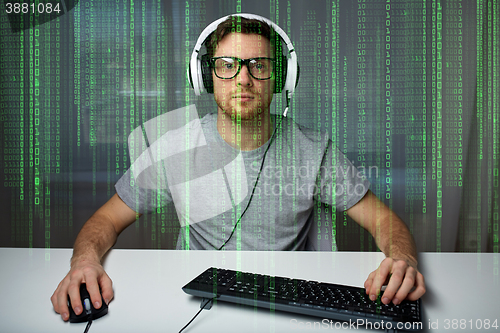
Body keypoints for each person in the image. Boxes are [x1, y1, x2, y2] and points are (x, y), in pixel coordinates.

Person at [51, 13, 425, 321]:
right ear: (206, 77)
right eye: (227, 65)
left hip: (288, 304)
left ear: (281, 78)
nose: (243, 79)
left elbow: (384, 221)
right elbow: (106, 219)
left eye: (258, 65)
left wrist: (402, 258)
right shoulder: (173, 149)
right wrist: (84, 263)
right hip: (195, 303)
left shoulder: (315, 151)